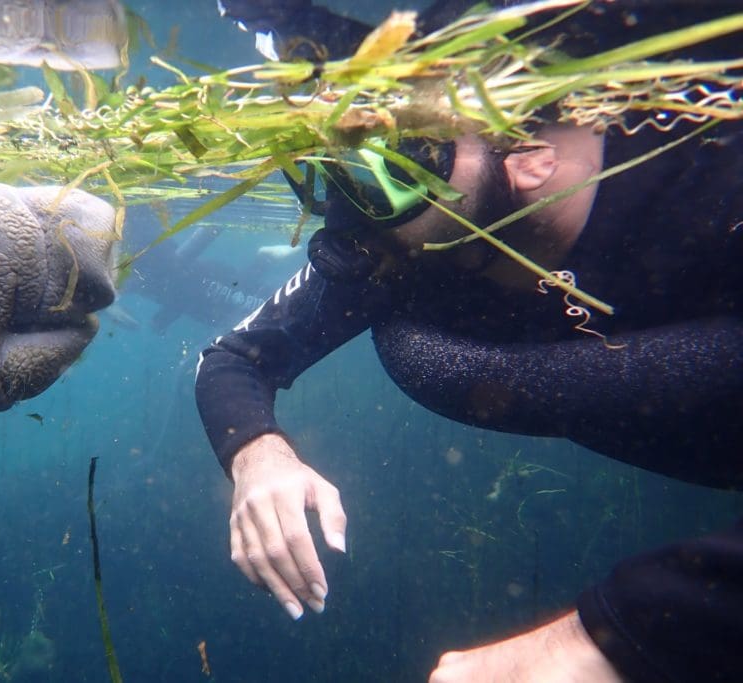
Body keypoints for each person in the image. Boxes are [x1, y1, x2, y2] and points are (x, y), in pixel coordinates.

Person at [196, 1, 743, 681]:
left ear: (529, 157)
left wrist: (610, 638)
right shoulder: (418, 245)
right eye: (339, 168)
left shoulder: (714, 182)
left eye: (397, 162)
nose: (349, 215)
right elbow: (236, 358)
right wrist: (257, 455)